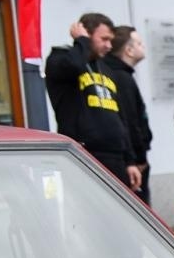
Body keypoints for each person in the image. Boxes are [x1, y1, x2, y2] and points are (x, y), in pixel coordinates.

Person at [44, 13, 139, 193]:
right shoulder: (61, 60)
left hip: (115, 156)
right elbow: (75, 66)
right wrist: (81, 41)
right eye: (103, 39)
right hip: (85, 153)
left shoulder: (106, 69)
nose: (109, 46)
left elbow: (120, 116)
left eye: (111, 40)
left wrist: (129, 160)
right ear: (86, 34)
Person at [102, 25, 153, 207]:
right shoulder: (121, 78)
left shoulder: (121, 75)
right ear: (129, 50)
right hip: (132, 160)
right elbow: (130, 121)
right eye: (139, 43)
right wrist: (137, 157)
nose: (143, 47)